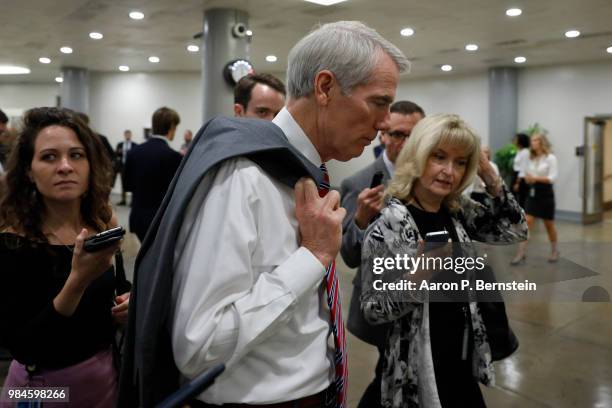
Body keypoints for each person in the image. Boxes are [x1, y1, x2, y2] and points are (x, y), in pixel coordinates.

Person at [119, 20, 410, 407]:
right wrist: (312, 257)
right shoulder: (243, 176)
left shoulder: (305, 172)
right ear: (325, 87)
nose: (385, 122)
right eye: (379, 102)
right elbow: (200, 344)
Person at [360, 114, 528, 408]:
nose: (449, 171)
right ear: (418, 156)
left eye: (461, 162)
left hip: (461, 358)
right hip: (418, 367)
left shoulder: (457, 209)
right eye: (439, 157)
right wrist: (419, 277)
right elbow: (373, 309)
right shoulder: (390, 223)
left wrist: (489, 176)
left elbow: (514, 230)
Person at [0, 107, 131, 408]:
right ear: (29, 172)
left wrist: (127, 301)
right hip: (41, 389)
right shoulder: (11, 242)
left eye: (76, 155)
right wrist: (77, 282)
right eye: (49, 157)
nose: (65, 167)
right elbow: (25, 347)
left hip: (104, 378)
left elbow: (118, 286)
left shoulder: (102, 223)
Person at [339, 100, 424, 408]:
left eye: (413, 135)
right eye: (397, 134)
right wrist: (361, 219)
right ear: (383, 136)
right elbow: (348, 256)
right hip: (384, 305)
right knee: (390, 376)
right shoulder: (359, 183)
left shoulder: (429, 179)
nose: (404, 143)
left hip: (424, 301)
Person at [124, 107, 182, 242]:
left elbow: (127, 185)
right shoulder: (173, 157)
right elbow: (175, 193)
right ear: (172, 126)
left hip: (137, 217)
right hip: (160, 220)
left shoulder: (134, 152)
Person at [512, 133, 559, 264]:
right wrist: (527, 178)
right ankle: (520, 253)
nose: (533, 143)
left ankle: (554, 250)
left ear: (542, 142)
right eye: (532, 140)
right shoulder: (531, 158)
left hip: (546, 193)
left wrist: (535, 178)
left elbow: (552, 178)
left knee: (549, 225)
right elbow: (526, 172)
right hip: (533, 192)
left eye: (536, 140)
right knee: (527, 222)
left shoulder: (551, 158)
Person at [115, 130, 138, 205]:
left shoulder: (135, 145)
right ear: (124, 135)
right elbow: (116, 154)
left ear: (131, 135)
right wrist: (119, 152)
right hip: (122, 166)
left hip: (132, 166)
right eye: (126, 134)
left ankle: (133, 201)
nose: (128, 136)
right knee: (123, 183)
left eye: (129, 134)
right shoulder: (120, 144)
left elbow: (136, 155)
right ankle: (123, 200)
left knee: (133, 183)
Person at [512, 133, 530, 208]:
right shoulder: (519, 151)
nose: (514, 140)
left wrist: (517, 182)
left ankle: (522, 216)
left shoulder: (525, 152)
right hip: (516, 174)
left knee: (521, 198)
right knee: (514, 197)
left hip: (520, 177)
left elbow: (523, 168)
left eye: (516, 139)